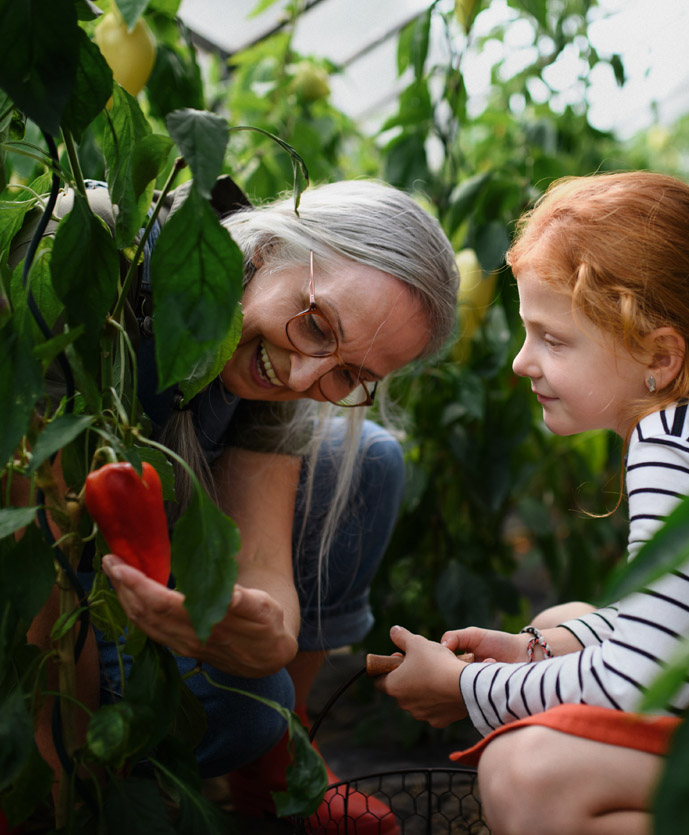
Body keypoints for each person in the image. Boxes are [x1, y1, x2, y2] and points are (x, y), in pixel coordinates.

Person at [374, 171, 689, 835]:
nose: (520, 362)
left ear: (659, 354)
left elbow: (639, 684)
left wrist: (463, 688)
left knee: (524, 773)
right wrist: (535, 648)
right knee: (564, 621)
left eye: (552, 338)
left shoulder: (672, 437)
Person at [13, 177, 459, 831]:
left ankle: (280, 763)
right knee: (243, 709)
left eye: (350, 375)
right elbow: (35, 547)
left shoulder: (265, 357)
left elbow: (263, 565)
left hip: (126, 571)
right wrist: (67, 784)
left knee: (369, 460)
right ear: (273, 244)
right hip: (35, 580)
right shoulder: (94, 247)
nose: (307, 377)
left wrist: (264, 635)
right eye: (315, 324)